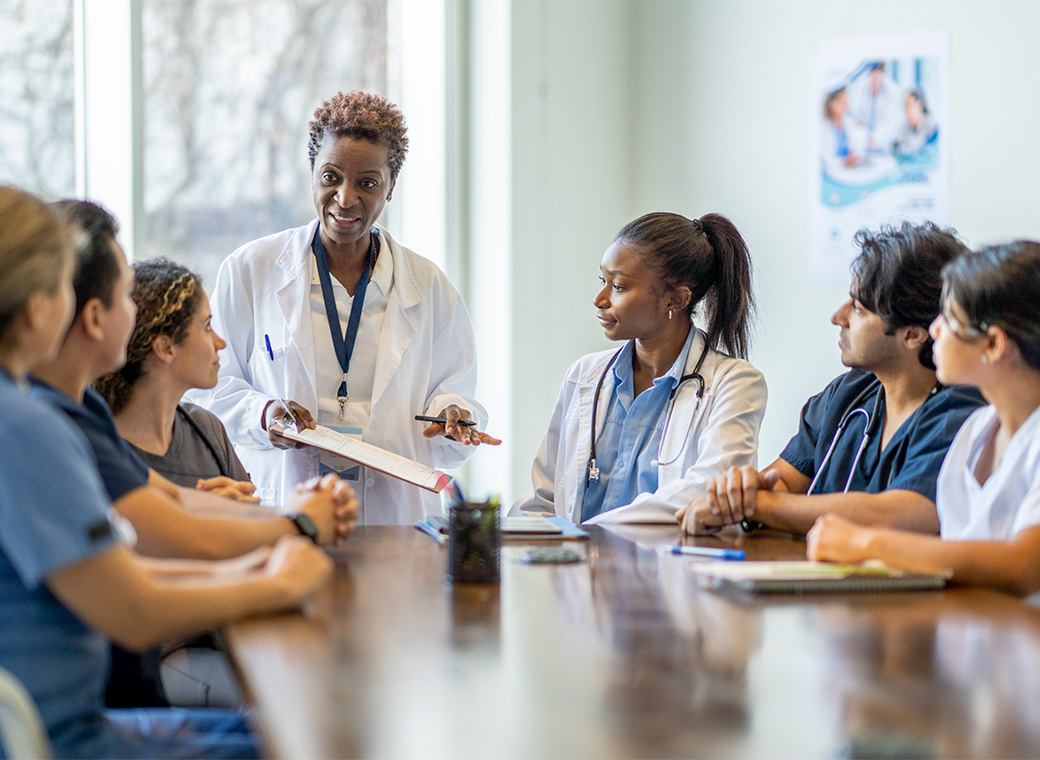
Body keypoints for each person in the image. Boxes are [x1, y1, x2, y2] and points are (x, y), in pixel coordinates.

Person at [0, 185, 337, 758]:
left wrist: (257, 565)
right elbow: (133, 609)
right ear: (39, 310)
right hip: (68, 738)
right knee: (311, 740)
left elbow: (128, 568)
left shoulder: (30, 415)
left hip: (70, 721)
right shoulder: (25, 427)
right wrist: (278, 575)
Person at [193, 90, 499, 523]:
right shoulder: (249, 270)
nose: (345, 198)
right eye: (331, 177)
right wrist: (263, 414)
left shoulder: (431, 288)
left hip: (394, 517)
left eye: (367, 183)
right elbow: (207, 389)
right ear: (312, 174)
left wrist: (454, 415)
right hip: (285, 505)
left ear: (391, 188)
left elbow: (453, 396)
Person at [682, 221, 985, 536]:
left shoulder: (962, 409)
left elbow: (905, 513)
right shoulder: (850, 391)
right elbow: (783, 481)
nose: (837, 317)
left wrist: (757, 506)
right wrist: (743, 491)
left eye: (858, 308)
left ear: (911, 335)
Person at [807, 242, 1040, 597]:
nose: (934, 330)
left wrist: (867, 543)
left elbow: (1023, 566)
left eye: (949, 318)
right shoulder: (976, 432)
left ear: (992, 345)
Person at [513, 212, 767, 524]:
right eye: (602, 281)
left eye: (618, 286)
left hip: (668, 569)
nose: (599, 299)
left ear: (675, 298)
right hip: (577, 569)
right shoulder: (583, 375)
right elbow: (547, 499)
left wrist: (584, 534)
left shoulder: (735, 384)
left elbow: (707, 494)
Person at [96, 257, 255, 500]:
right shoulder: (99, 448)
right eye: (207, 326)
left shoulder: (206, 429)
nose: (220, 343)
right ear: (166, 348)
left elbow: (254, 521)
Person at [893, 88, 938, 157]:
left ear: (920, 105)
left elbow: (930, 152)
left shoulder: (931, 127)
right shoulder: (902, 127)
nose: (906, 109)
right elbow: (896, 149)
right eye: (905, 105)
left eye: (909, 104)